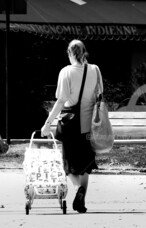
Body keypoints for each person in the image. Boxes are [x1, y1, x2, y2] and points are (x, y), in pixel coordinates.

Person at [41, 39, 103, 213]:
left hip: (70, 124)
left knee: (68, 165)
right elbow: (99, 94)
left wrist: (48, 123)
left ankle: (78, 190)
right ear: (84, 52)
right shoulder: (95, 70)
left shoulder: (66, 72)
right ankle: (81, 202)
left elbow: (61, 101)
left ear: (69, 52)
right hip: (89, 124)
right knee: (85, 165)